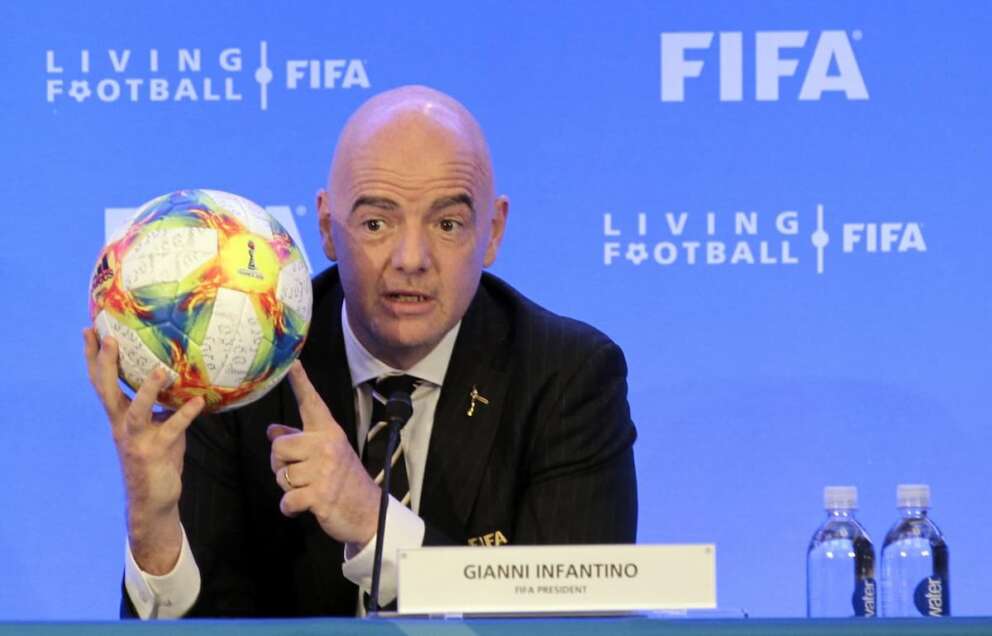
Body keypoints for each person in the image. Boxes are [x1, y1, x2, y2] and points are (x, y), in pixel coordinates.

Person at [83, 85, 638, 618]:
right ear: (328, 228)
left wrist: (375, 525)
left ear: (492, 232)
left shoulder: (567, 376)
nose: (412, 259)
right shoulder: (238, 364)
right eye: (376, 223)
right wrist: (154, 529)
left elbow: (574, 618)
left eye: (448, 224)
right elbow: (210, 627)